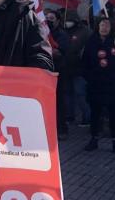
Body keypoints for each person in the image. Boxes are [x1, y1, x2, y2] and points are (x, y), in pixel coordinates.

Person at [82, 16, 115, 155]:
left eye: (107, 25)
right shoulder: (91, 42)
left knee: (114, 114)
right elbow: (84, 63)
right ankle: (94, 139)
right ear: (97, 26)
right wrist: (90, 77)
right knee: (95, 113)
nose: (104, 28)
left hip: (112, 84)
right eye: (102, 25)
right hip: (96, 85)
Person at [45, 9, 70, 140]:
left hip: (58, 71)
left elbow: (59, 52)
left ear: (58, 21)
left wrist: (45, 47)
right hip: (45, 71)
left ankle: (62, 128)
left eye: (51, 19)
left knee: (59, 101)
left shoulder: (61, 35)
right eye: (47, 18)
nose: (48, 21)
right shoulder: (42, 32)